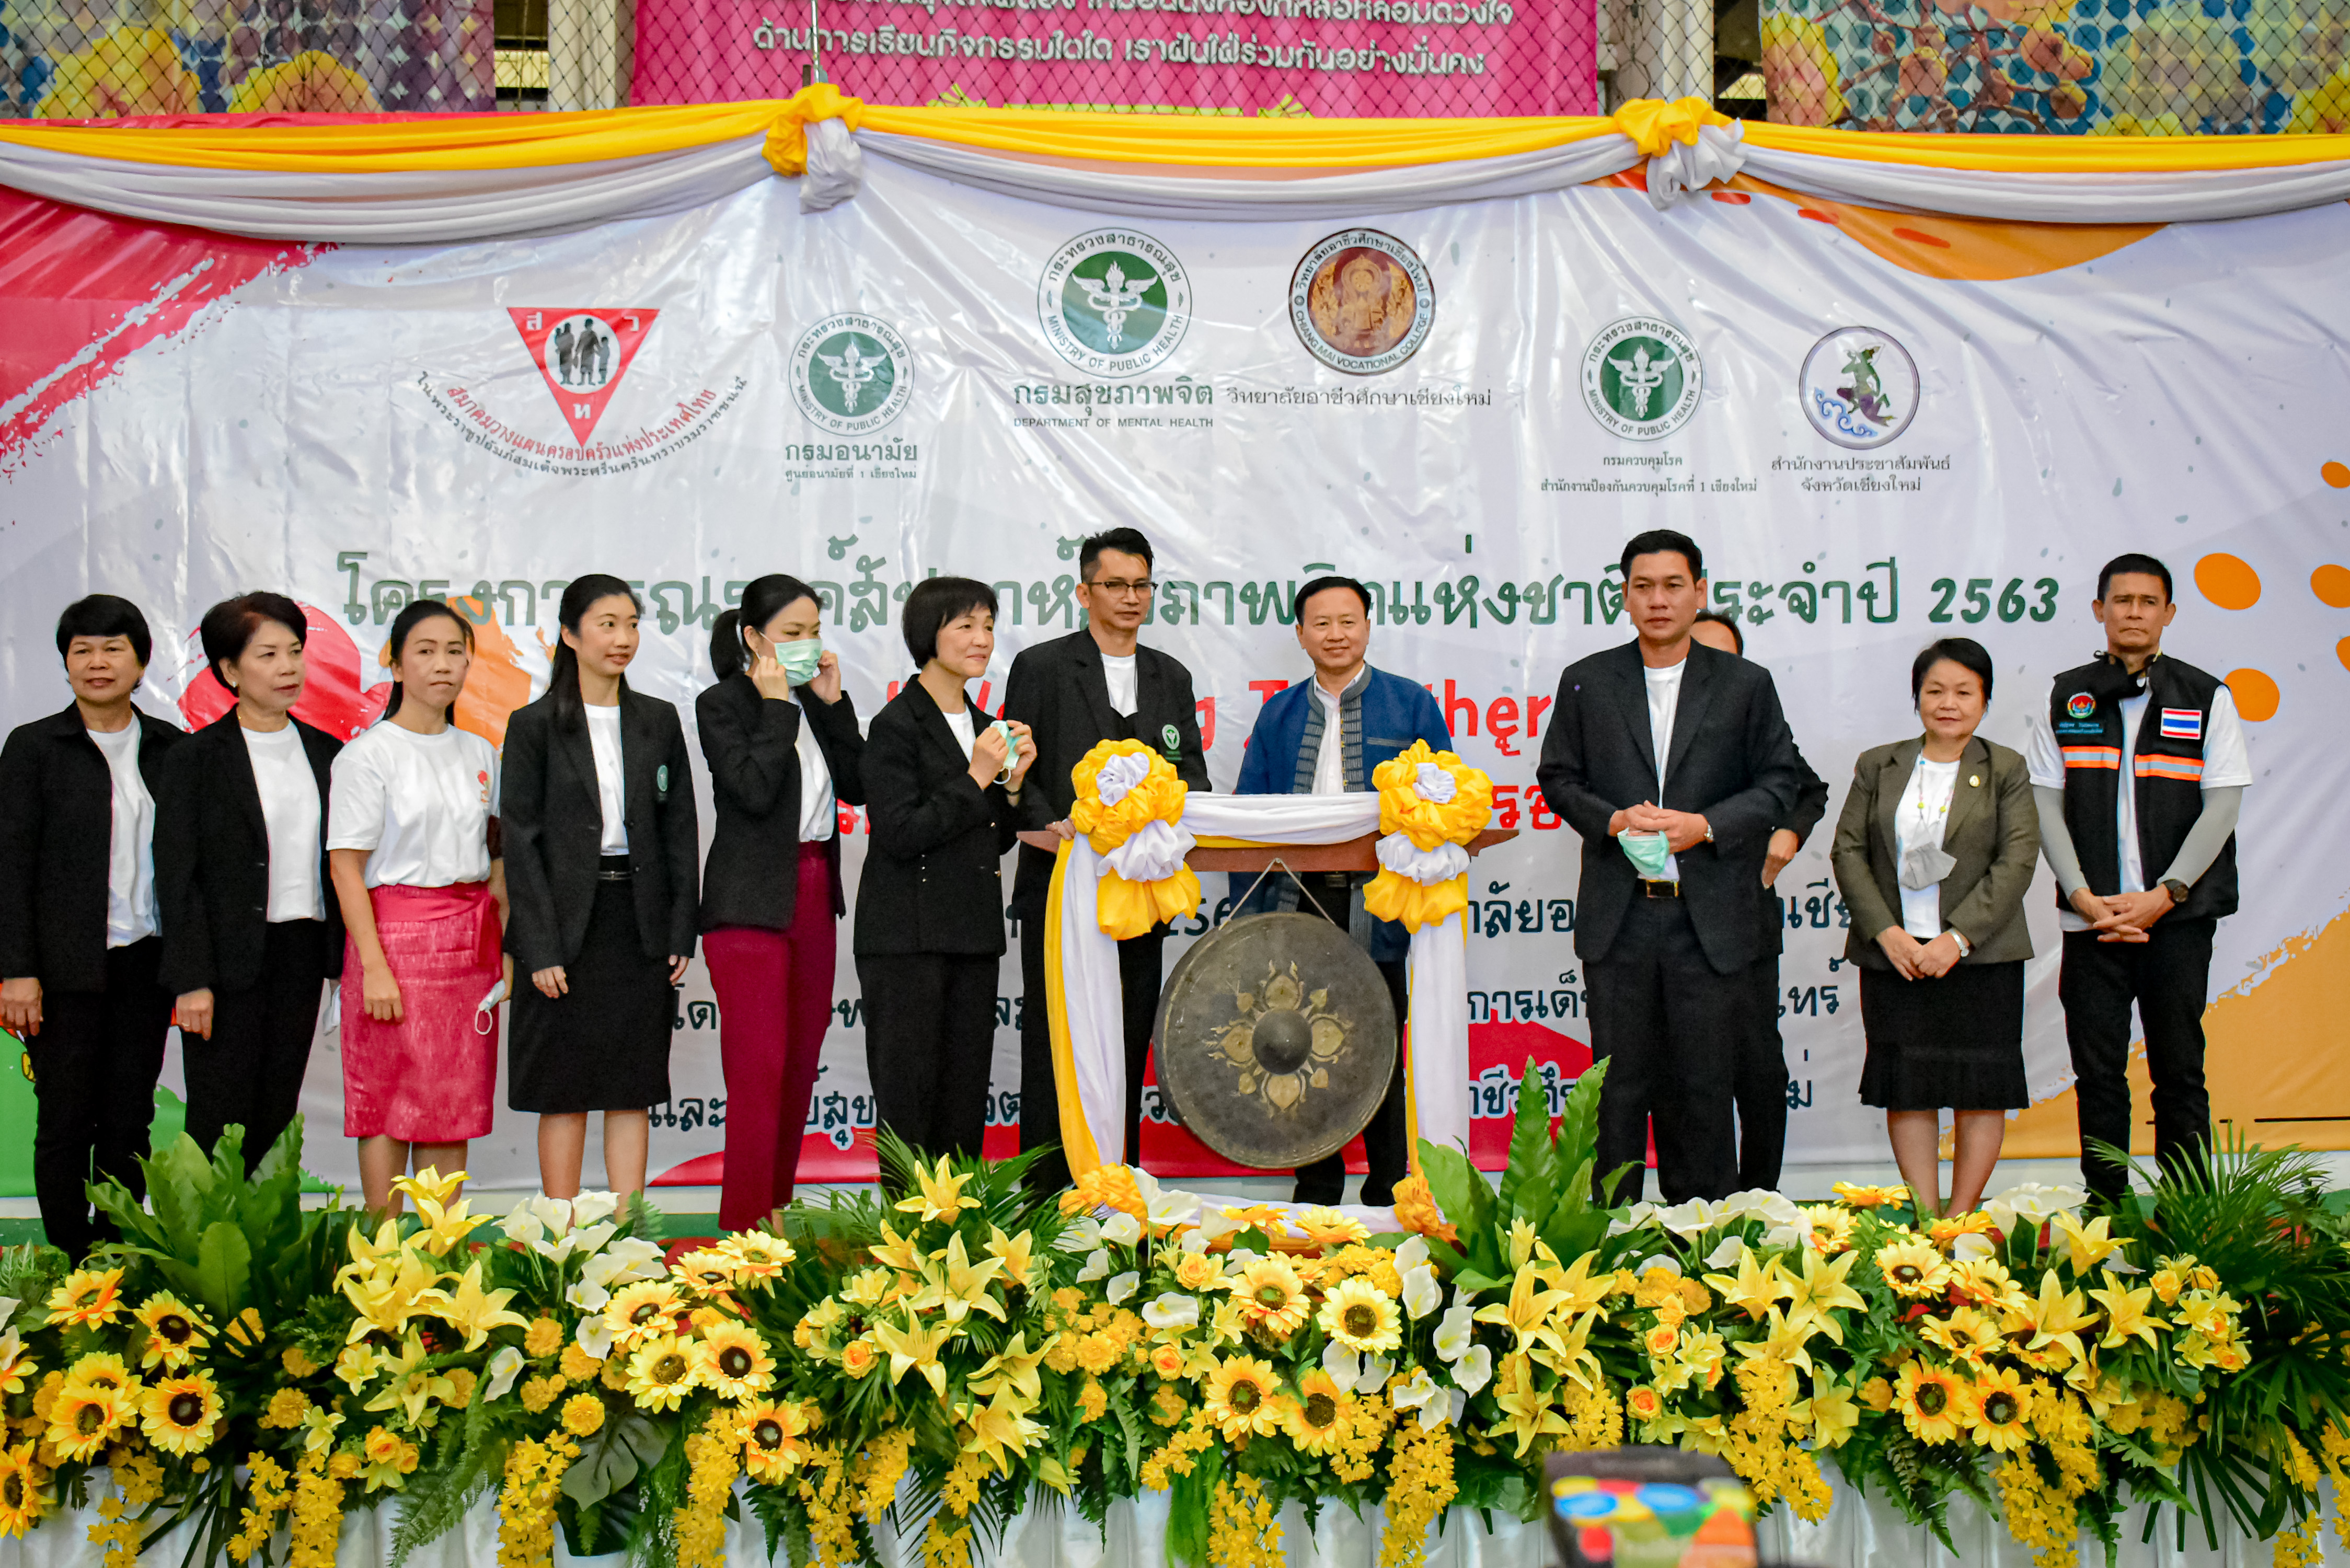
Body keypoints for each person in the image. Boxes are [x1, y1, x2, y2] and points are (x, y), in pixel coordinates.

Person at [1535, 531, 1805, 1204]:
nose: (1658, 600)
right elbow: (1557, 777)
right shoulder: (1588, 680)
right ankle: (1611, 1237)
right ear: (1624, 597)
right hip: (1620, 917)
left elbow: (1779, 780)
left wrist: (1704, 826)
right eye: (1643, 587)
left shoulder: (1745, 685)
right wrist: (1611, 820)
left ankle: (1701, 1242)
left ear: (1698, 592)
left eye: (1673, 585)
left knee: (1703, 1087)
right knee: (1617, 1088)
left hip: (1706, 919)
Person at [2027, 554, 2250, 1204]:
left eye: (2147, 602)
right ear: (2099, 610)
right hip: (2090, 921)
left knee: (2178, 1073)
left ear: (2168, 613)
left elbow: (2222, 806)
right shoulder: (2064, 696)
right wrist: (2081, 897)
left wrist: (2164, 895)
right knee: (2097, 1076)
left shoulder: (2205, 696)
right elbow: (2043, 804)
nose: (2133, 612)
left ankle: (2187, 1213)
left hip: (2175, 921)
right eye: (2120, 600)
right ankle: (2106, 1213)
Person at [1231, 574, 1450, 1206]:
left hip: (1377, 904)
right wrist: (1251, 922)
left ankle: (1389, 1188)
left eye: (1347, 621)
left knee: (1377, 1046)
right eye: (1321, 623)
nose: (1335, 634)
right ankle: (1316, 1187)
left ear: (1367, 627)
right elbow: (1248, 815)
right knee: (1296, 1047)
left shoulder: (1410, 704)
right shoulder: (1278, 713)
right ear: (1301, 635)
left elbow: (1445, 799)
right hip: (1295, 905)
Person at [1003, 527, 1207, 1184]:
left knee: (1127, 1037)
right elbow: (1017, 767)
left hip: (1141, 893)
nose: (1130, 597)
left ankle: (1120, 1189)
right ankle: (1044, 1196)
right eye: (1115, 585)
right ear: (1083, 592)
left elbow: (1191, 777)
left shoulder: (1170, 676)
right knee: (1055, 1040)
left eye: (1141, 585)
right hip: (1058, 885)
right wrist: (1052, 826)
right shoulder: (1041, 667)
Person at [502, 577, 700, 1203]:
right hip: (563, 926)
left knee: (631, 1087)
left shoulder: (657, 720)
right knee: (562, 1090)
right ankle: (561, 1236)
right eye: (607, 624)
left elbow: (680, 830)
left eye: (632, 624)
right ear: (569, 634)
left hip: (637, 921)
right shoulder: (533, 725)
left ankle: (628, 1230)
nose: (623, 638)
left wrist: (680, 929)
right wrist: (539, 948)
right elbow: (520, 845)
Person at [0, 596, 185, 1255]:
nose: (97, 662)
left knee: (129, 1121)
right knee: (65, 1120)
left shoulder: (171, 748)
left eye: (113, 648)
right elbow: (11, 866)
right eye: (82, 650)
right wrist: (17, 971)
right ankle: (68, 1256)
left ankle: (116, 1248)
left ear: (141, 662)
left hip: (145, 962)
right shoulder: (34, 748)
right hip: (63, 967)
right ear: (66, 663)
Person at [1830, 638, 2039, 1218]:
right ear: (1916, 697)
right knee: (1909, 1089)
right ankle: (1926, 1221)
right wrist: (1886, 933)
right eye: (1935, 691)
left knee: (1982, 1093)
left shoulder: (2005, 768)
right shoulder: (1879, 764)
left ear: (1985, 700)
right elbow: (1848, 851)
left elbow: (2017, 860)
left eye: (1964, 692)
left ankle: (1961, 1220)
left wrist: (1956, 938)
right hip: (1895, 959)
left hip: (1981, 960)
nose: (1948, 704)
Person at [326, 601, 506, 1214]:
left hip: (468, 950)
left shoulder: (481, 753)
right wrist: (374, 966)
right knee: (386, 1100)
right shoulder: (367, 756)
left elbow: (496, 859)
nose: (443, 665)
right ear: (396, 664)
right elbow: (345, 868)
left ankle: (440, 1248)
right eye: (425, 651)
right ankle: (383, 1248)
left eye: (455, 652)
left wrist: (504, 949)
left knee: (452, 1103)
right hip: (393, 947)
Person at [697, 574, 866, 1229]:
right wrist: (775, 706)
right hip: (750, 906)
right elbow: (753, 790)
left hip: (815, 892)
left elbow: (858, 785)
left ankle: (774, 1213)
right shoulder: (723, 705)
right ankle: (740, 1232)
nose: (807, 645)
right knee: (758, 1069)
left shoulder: (811, 704)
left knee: (798, 1066)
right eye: (792, 633)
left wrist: (832, 703)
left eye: (814, 632)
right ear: (753, 637)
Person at [155, 592, 343, 1174]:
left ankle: (262, 1231)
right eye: (268, 655)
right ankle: (208, 1233)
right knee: (218, 1113)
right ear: (230, 670)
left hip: (300, 952)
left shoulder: (328, 753)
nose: (288, 668)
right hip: (224, 960)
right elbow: (177, 876)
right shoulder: (194, 758)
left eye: (295, 651)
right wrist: (192, 979)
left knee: (276, 1108)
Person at [856, 578, 1035, 1162]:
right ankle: (908, 1219)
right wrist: (978, 777)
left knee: (964, 1095)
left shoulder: (985, 726)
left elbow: (994, 840)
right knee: (909, 1097)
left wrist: (1013, 787)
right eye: (965, 626)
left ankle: (958, 1217)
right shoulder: (895, 724)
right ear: (926, 636)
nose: (982, 639)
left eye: (988, 626)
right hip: (907, 939)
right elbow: (900, 833)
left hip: (972, 934)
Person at [1687, 609, 1829, 1193]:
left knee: (1759, 1068)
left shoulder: (1751, 716)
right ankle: (1704, 1202)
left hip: (1743, 920)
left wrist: (1788, 832)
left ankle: (1762, 1196)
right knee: (1694, 1074)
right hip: (1669, 923)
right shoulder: (1650, 723)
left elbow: (1807, 789)